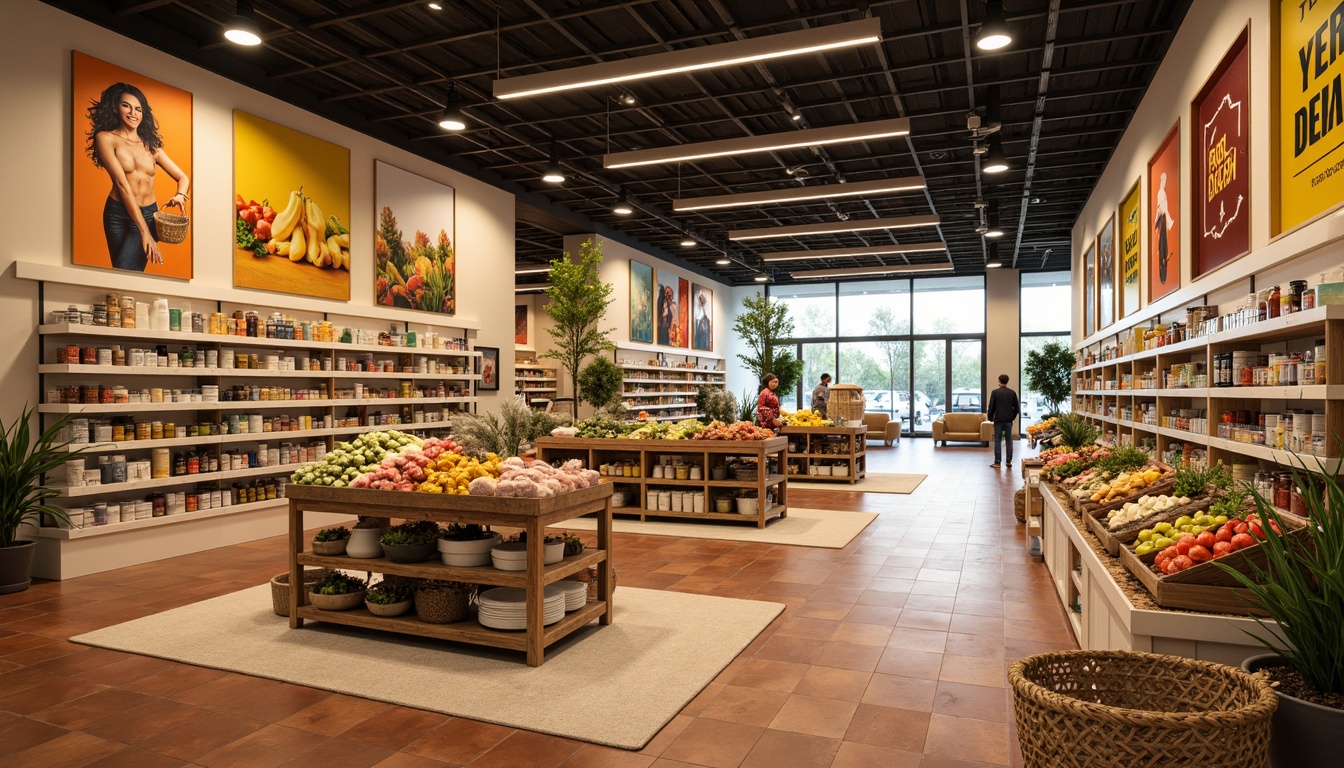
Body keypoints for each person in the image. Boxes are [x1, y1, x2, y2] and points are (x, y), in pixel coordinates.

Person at [86, 82, 190, 272]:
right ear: (115, 108)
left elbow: (183, 177)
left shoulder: (151, 146)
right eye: (126, 106)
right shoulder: (106, 138)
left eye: (138, 109)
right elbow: (121, 184)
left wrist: (180, 195)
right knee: (121, 273)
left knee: (125, 274)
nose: (133, 113)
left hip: (148, 215)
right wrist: (144, 233)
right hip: (117, 213)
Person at [987, 374, 1020, 469]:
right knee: (1009, 441)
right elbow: (1016, 408)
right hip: (1008, 421)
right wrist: (1012, 417)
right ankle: (1008, 461)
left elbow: (991, 407)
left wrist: (990, 418)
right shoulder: (1012, 393)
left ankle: (997, 462)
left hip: (998, 420)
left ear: (999, 381)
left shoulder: (995, 392)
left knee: (997, 440)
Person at [1153, 171, 1175, 283]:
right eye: (1163, 180)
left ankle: (1163, 262)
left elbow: (1162, 209)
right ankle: (1162, 263)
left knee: (1163, 244)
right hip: (1163, 220)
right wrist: (1169, 220)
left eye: (1164, 180)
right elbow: (1161, 209)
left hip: (1163, 220)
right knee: (1162, 244)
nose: (1164, 182)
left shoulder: (1162, 193)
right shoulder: (1161, 193)